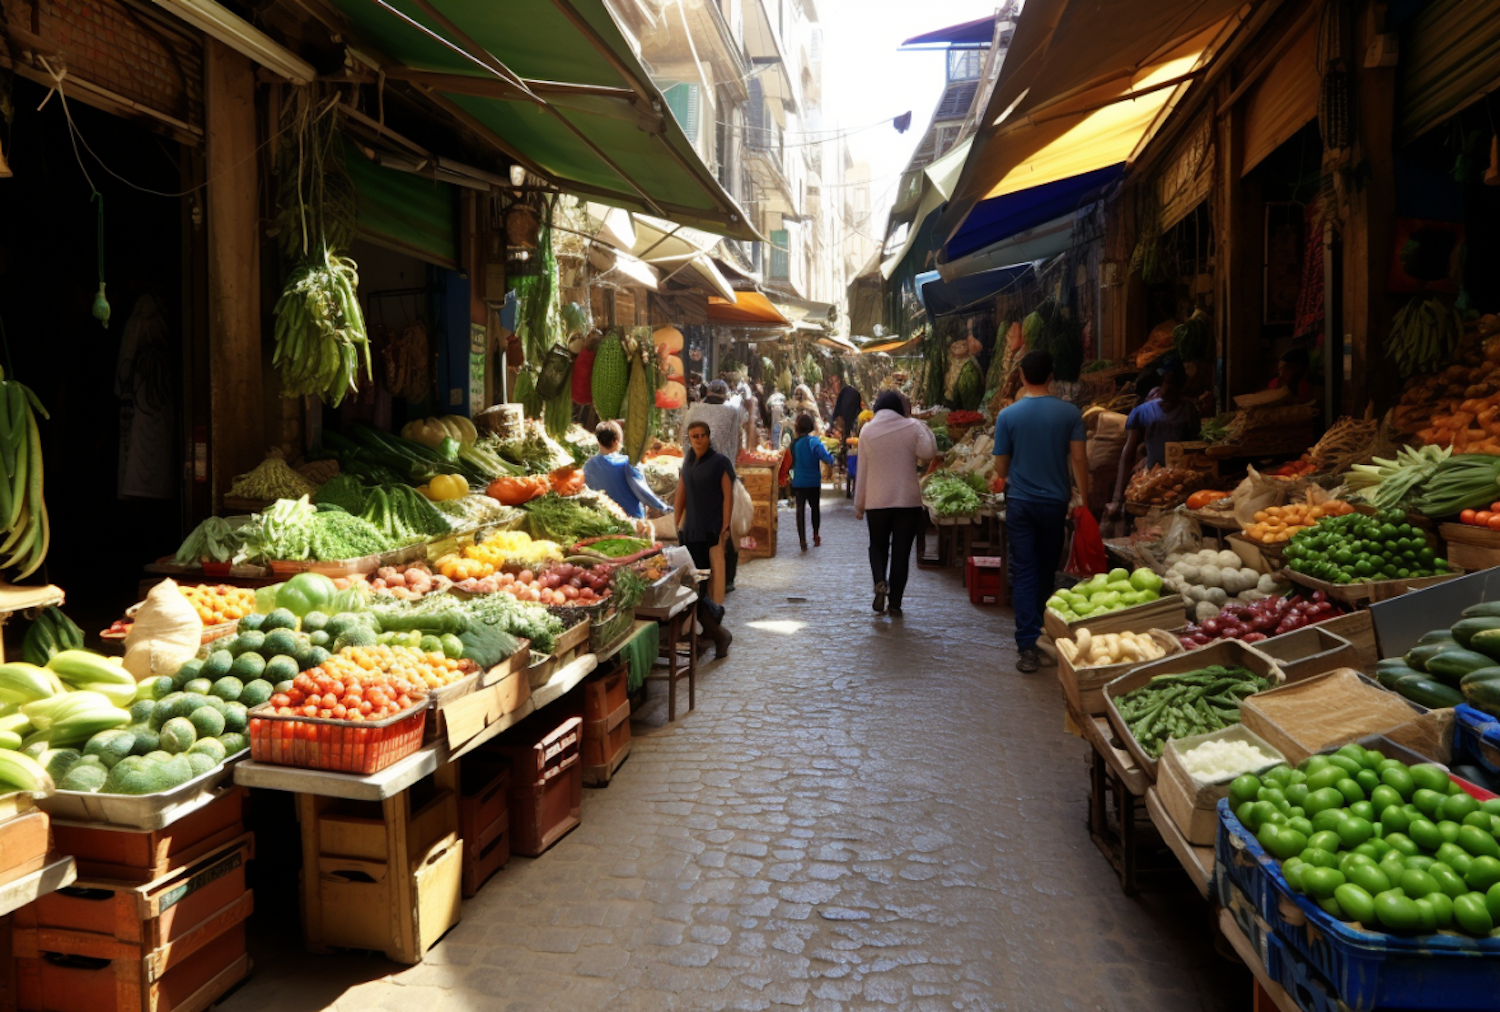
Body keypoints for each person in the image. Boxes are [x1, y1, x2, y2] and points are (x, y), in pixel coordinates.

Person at [993, 350, 1088, 673]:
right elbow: (1078, 460)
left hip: (1019, 502)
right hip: (1055, 504)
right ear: (1051, 377)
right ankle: (1044, 632)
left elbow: (1001, 466)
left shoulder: (1008, 416)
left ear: (1022, 376)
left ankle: (1027, 646)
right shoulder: (1070, 413)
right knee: (1046, 570)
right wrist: (1085, 501)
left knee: (1024, 572)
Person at [854, 390, 937, 617]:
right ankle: (895, 603)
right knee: (901, 553)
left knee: (877, 546)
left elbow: (863, 471)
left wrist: (859, 505)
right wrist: (918, 423)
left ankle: (880, 581)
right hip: (907, 502)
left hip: (876, 501)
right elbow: (929, 452)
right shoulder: (911, 427)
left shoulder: (867, 431)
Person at [673, 421, 735, 658]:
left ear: (709, 437)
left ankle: (715, 632)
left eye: (702, 436)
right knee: (692, 586)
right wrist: (676, 521)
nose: (698, 440)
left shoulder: (720, 462)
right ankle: (710, 627)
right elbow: (682, 490)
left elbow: (728, 495)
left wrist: (724, 527)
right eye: (694, 436)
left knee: (698, 586)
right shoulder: (688, 461)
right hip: (690, 532)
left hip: (709, 531)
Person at [1107, 362, 1199, 516]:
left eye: (1176, 383)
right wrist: (1117, 497)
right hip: (1150, 480)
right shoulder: (1142, 412)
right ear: (1161, 383)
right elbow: (1128, 454)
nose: (1170, 388)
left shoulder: (1188, 411)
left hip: (1179, 484)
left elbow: (1196, 450)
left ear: (1183, 385)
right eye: (1167, 382)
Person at [685, 380, 750, 592]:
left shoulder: (693, 412)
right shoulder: (732, 413)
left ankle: (700, 574)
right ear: (724, 395)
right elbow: (740, 441)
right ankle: (727, 579)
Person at [583, 421, 670, 519]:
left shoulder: (588, 465)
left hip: (602, 519)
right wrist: (664, 507)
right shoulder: (628, 463)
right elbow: (643, 492)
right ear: (617, 441)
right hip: (631, 521)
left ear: (598, 440)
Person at [789, 412, 836, 551]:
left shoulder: (794, 444)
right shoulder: (813, 442)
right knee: (815, 509)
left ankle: (802, 540)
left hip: (798, 482)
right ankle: (816, 535)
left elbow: (790, 462)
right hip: (813, 482)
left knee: (800, 511)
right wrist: (832, 460)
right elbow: (826, 457)